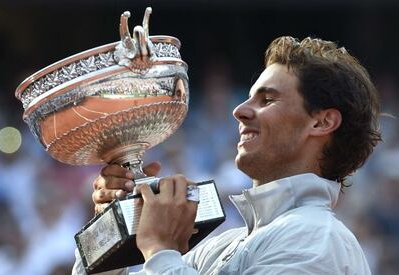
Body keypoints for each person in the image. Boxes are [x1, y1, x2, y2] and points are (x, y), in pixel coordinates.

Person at [73, 36, 381, 274]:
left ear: (321, 122)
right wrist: (111, 227)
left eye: (268, 99)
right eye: (249, 98)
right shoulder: (224, 245)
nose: (240, 111)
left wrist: (160, 250)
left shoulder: (316, 239)